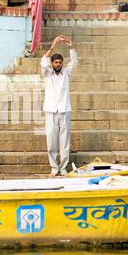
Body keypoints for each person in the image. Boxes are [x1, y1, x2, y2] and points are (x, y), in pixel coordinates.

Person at [41, 35, 78, 176]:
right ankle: (53, 167)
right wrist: (52, 47)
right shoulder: (47, 73)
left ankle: (63, 168)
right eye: (55, 62)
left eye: (60, 62)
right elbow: (43, 62)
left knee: (64, 141)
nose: (58, 64)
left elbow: (74, 62)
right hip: (50, 111)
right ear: (52, 63)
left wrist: (70, 46)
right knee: (51, 142)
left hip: (64, 110)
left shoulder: (66, 73)